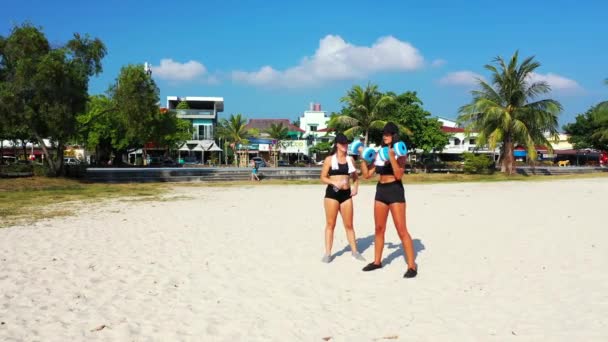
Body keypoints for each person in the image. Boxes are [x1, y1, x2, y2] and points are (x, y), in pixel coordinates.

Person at [358, 122, 417, 278]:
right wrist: (362, 159)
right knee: (379, 228)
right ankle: (377, 262)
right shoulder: (379, 153)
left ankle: (412, 265)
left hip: (395, 191)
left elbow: (398, 175)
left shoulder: (401, 154)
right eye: (384, 133)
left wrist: (391, 158)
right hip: (381, 191)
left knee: (401, 230)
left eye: (388, 134)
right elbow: (367, 175)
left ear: (394, 135)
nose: (385, 136)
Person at [319, 133, 365, 263]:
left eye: (346, 143)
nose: (345, 145)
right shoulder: (329, 159)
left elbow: (355, 177)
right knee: (330, 224)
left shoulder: (350, 159)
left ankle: (355, 252)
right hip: (332, 195)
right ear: (337, 144)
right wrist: (334, 183)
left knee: (349, 224)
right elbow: (323, 177)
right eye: (343, 143)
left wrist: (356, 187)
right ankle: (328, 253)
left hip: (346, 195)